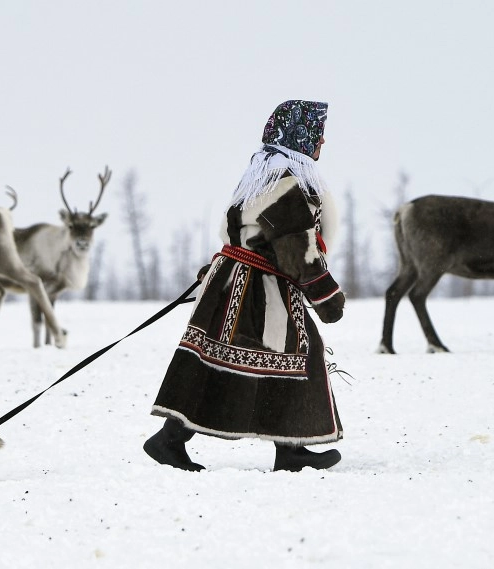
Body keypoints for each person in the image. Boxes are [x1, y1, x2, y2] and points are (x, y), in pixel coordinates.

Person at [145, 99, 347, 472]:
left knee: (218, 362)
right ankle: (291, 450)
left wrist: (217, 271)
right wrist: (326, 295)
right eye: (318, 135)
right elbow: (295, 247)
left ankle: (171, 439)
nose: (322, 144)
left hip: (234, 283)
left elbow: (244, 233)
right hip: (259, 289)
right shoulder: (288, 183)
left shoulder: (260, 176)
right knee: (299, 355)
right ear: (302, 137)